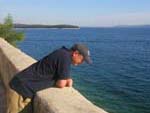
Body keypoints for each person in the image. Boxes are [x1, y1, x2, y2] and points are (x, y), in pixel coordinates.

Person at [9, 43, 92, 113]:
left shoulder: (63, 53)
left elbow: (67, 79)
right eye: (82, 59)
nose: (81, 62)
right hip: (21, 88)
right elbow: (61, 84)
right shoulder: (65, 58)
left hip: (21, 84)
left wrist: (66, 79)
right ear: (76, 53)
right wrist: (61, 81)